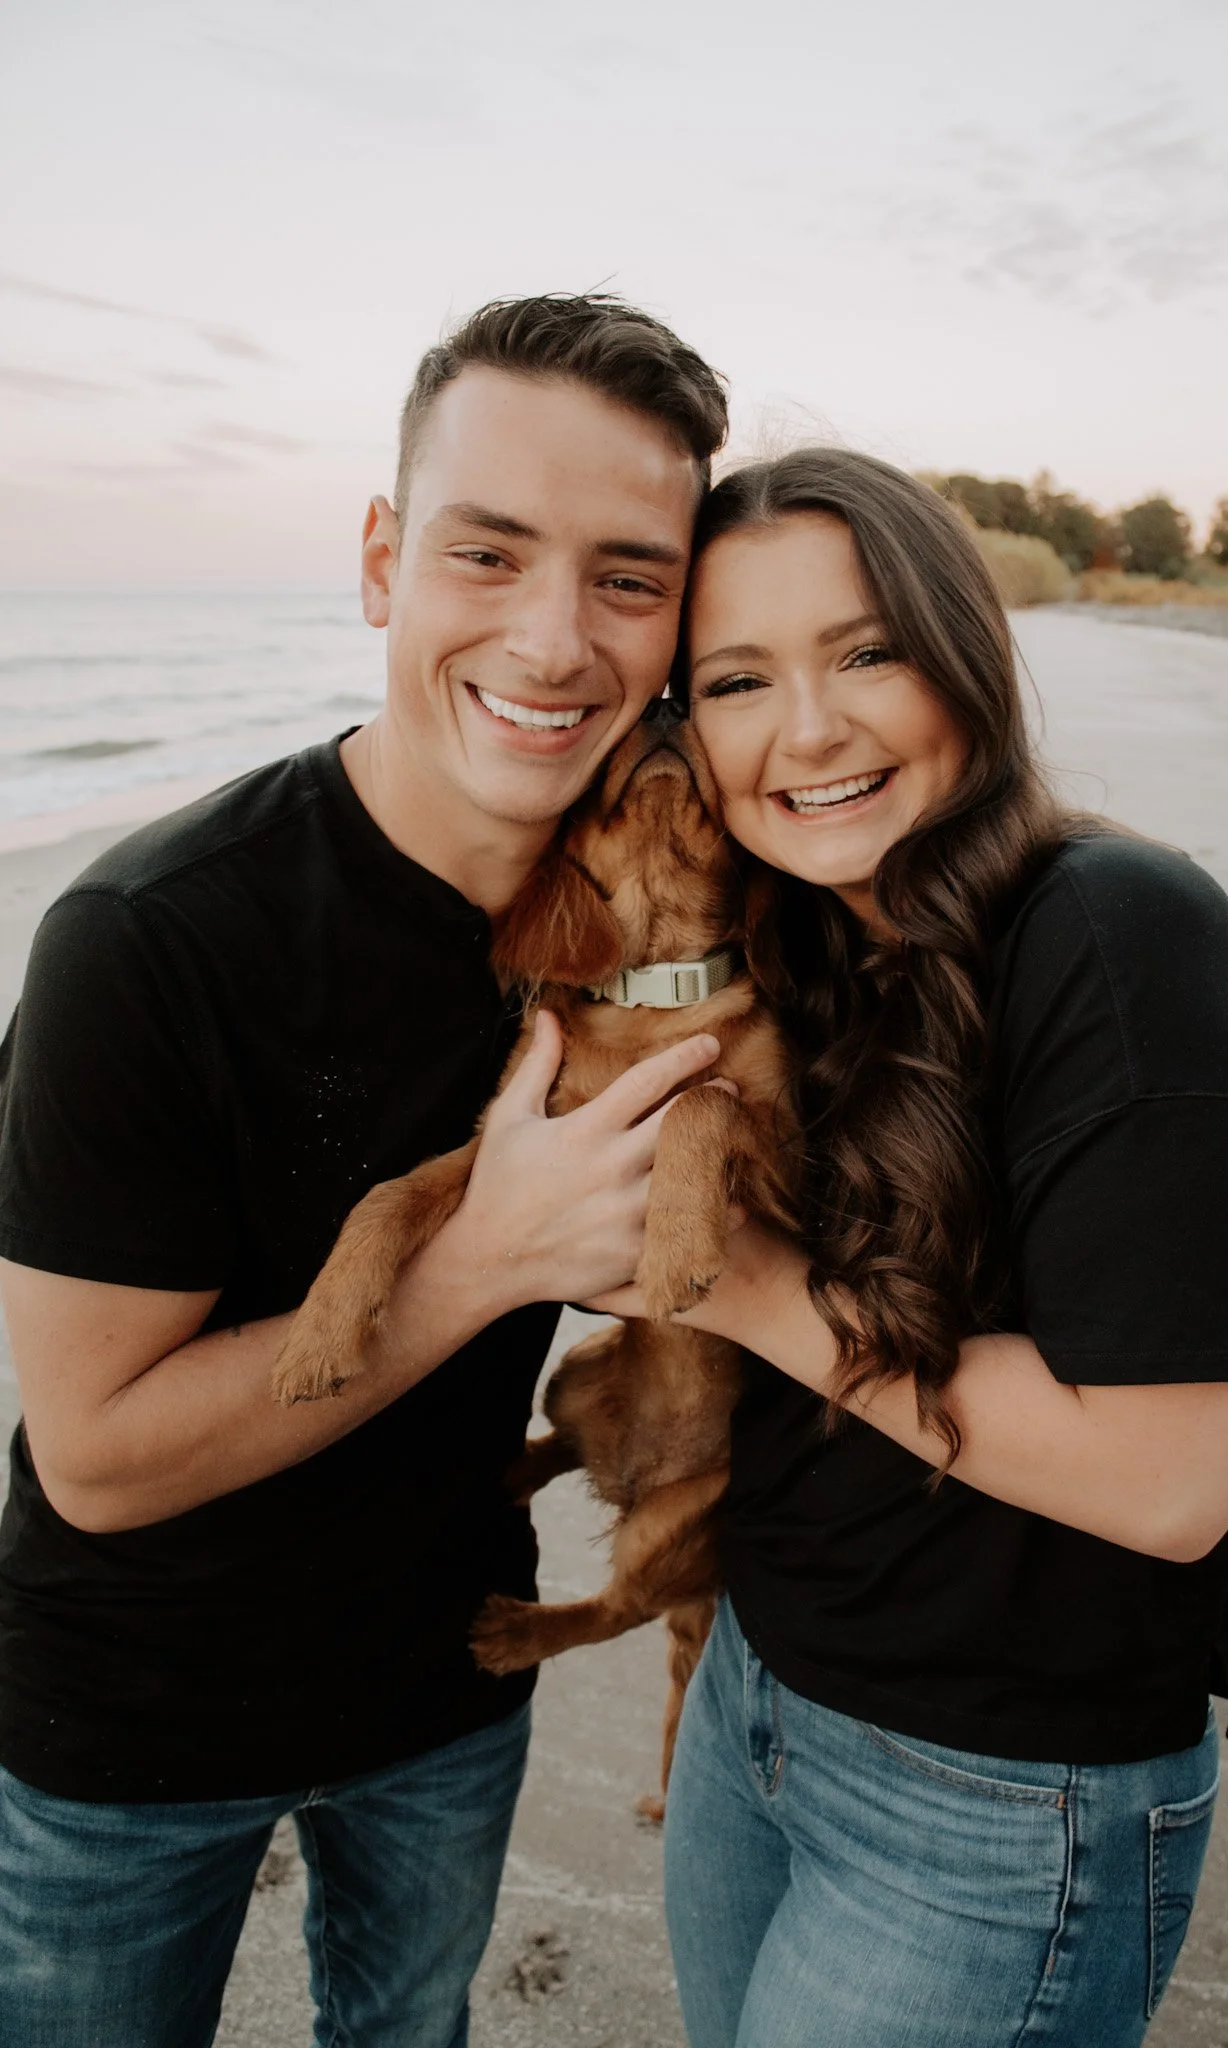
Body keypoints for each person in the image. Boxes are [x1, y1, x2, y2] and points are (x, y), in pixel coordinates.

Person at [0, 295, 731, 2048]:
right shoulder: (146, 942)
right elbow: (94, 1462)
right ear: (384, 563)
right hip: (132, 1733)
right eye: (488, 553)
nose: (554, 639)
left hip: (448, 1688)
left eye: (628, 578)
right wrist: (486, 1259)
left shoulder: (670, 912)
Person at [595, 450, 1228, 2046]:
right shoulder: (807, 943)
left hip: (996, 1802)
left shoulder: (1119, 930)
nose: (808, 730)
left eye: (867, 651)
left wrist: (754, 1289)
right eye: (736, 681)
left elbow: (1171, 1483)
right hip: (758, 1699)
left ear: (963, 651)